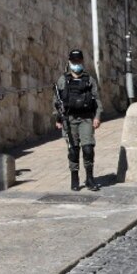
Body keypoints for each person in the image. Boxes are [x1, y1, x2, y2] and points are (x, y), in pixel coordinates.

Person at [53, 49, 102, 192]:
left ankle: (90, 178)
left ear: (82, 61)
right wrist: (58, 118)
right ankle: (74, 178)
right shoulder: (62, 80)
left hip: (86, 118)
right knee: (73, 150)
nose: (76, 64)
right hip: (69, 119)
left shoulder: (89, 80)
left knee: (88, 148)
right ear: (69, 62)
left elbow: (97, 99)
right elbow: (57, 101)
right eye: (74, 62)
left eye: (78, 61)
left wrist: (97, 116)